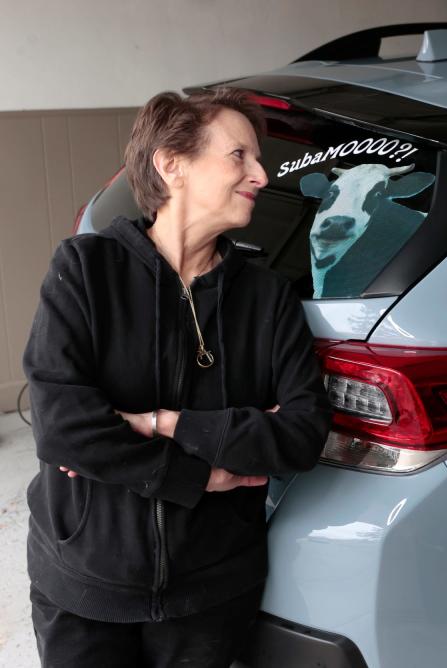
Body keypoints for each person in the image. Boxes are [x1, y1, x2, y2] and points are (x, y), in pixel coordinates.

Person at [22, 89, 331, 667]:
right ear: (171, 163)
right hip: (86, 587)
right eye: (239, 156)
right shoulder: (87, 270)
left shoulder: (267, 299)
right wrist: (198, 476)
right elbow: (65, 430)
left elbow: (301, 434)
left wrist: (160, 422)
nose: (262, 175)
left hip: (209, 593)